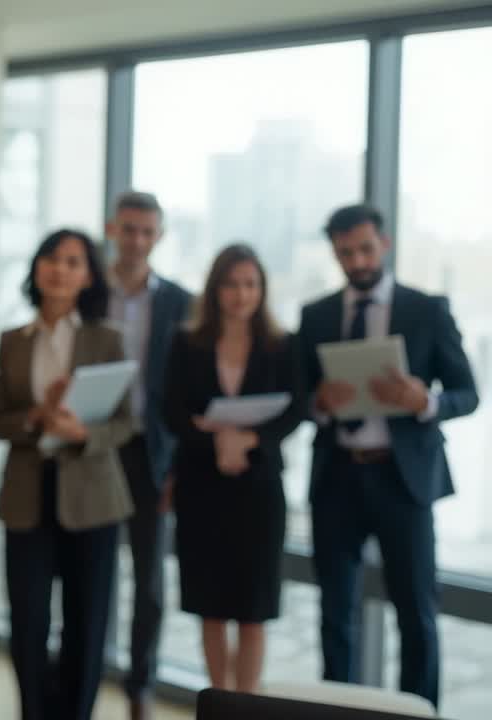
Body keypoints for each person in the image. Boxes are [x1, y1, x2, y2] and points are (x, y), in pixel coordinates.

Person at [297, 204, 479, 708]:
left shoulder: (427, 310)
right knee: (336, 615)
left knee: (417, 614)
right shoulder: (316, 316)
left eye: (364, 249)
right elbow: (299, 396)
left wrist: (426, 402)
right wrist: (318, 403)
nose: (356, 261)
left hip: (404, 481)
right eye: (344, 253)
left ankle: (418, 715)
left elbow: (468, 393)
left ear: (385, 243)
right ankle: (338, 714)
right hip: (337, 479)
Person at [0, 228, 135, 720]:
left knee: (86, 625)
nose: (60, 269)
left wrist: (79, 432)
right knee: (27, 624)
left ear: (88, 276)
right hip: (27, 495)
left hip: (93, 498)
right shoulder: (12, 341)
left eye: (73, 262)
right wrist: (34, 417)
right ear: (36, 268)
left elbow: (126, 420)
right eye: (51, 258)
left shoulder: (107, 339)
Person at [162, 244, 306, 693]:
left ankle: (244, 706)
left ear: (262, 290)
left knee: (252, 608)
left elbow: (296, 408)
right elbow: (171, 410)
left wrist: (248, 439)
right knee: (210, 605)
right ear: (215, 289)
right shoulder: (186, 343)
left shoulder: (283, 346)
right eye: (231, 284)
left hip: (258, 488)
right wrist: (215, 439)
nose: (241, 295)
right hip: (202, 486)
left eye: (250, 284)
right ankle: (218, 702)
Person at [104, 191, 194, 720]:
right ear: (113, 230)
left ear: (158, 237)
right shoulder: (91, 296)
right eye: (129, 229)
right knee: (93, 572)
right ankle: (91, 671)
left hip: (152, 454)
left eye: (148, 231)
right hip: (93, 451)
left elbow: (185, 392)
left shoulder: (180, 302)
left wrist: (177, 467)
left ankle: (141, 687)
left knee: (150, 583)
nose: (137, 240)